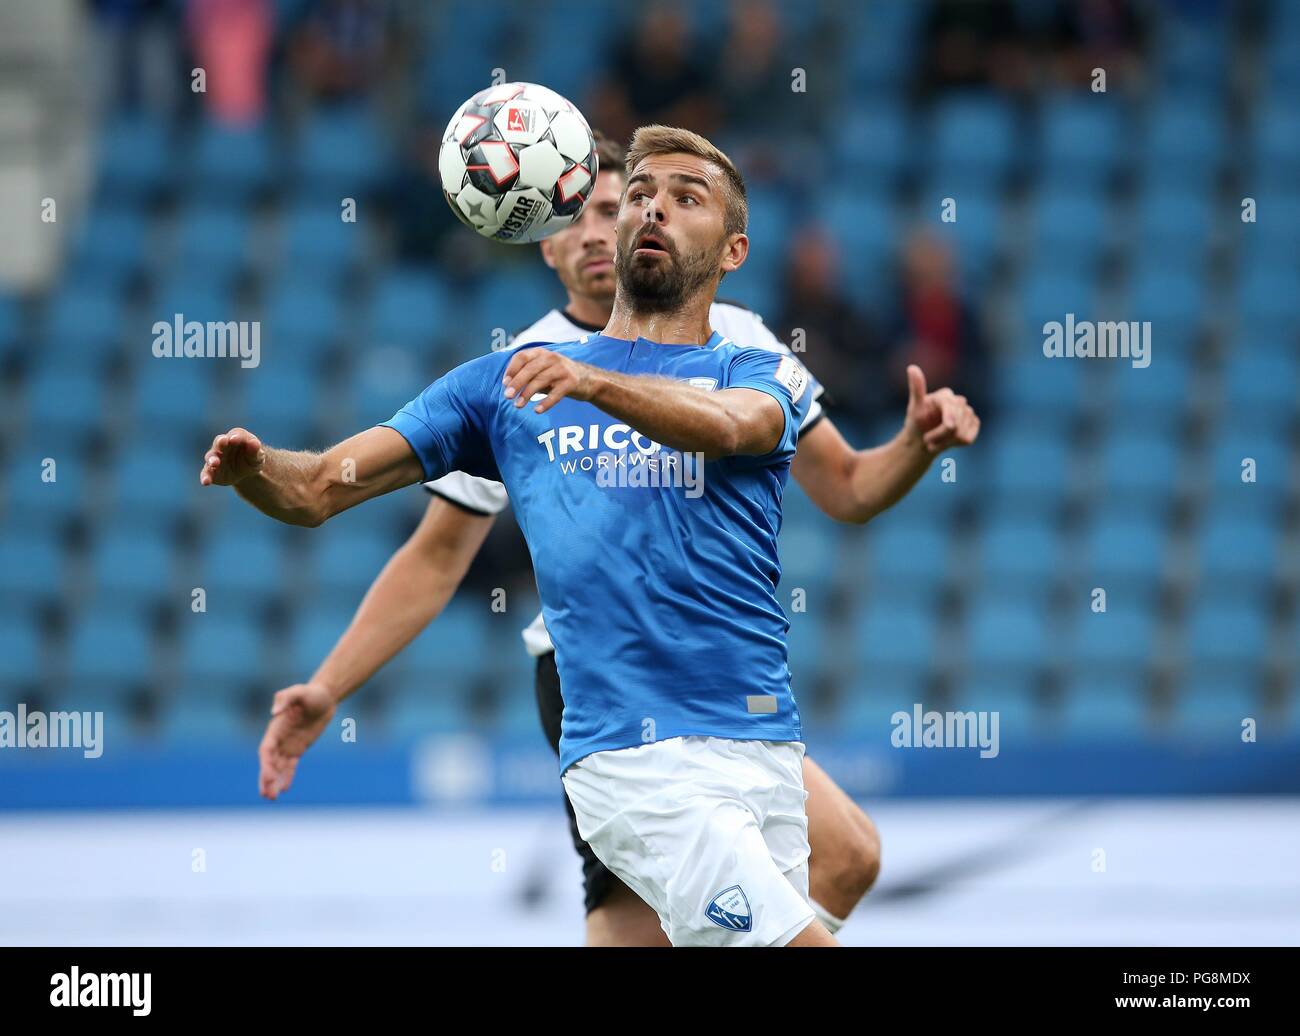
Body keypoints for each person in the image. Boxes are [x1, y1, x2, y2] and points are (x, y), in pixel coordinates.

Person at [201, 126, 978, 946]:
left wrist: (912, 447)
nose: (629, 218)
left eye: (671, 200)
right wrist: (261, 474)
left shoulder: (747, 358)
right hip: (624, 733)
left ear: (734, 249)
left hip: (756, 737)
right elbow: (334, 491)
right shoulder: (514, 381)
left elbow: (751, 434)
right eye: (627, 201)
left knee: (817, 871)